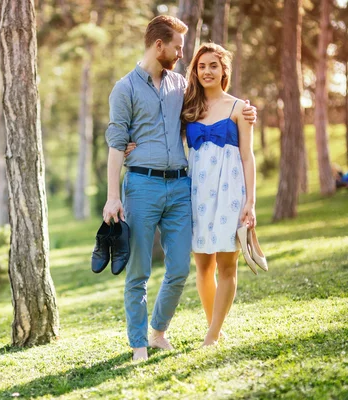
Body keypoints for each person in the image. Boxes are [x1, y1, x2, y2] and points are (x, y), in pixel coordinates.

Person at [103, 16, 257, 360]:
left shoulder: (179, 88)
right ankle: (138, 343)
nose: (181, 54)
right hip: (142, 185)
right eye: (177, 47)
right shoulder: (124, 88)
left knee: (179, 269)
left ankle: (158, 331)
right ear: (160, 46)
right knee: (139, 270)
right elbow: (115, 144)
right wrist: (113, 196)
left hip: (181, 189)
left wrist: (248, 113)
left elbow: (217, 110)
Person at [182, 43, 256, 346]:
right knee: (203, 266)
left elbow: (248, 156)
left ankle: (212, 334)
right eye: (201, 66)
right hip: (197, 193)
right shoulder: (187, 109)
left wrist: (250, 201)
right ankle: (215, 326)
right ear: (195, 72)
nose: (207, 71)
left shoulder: (240, 108)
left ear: (223, 70)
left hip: (230, 193)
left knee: (227, 266)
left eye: (213, 65)